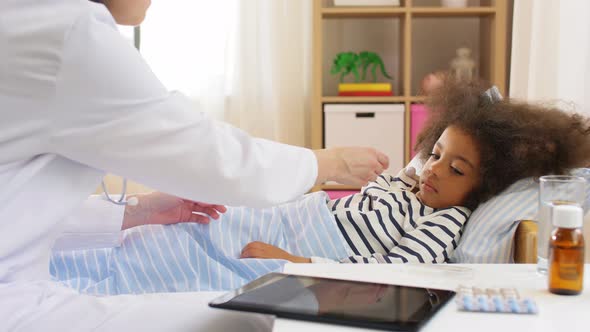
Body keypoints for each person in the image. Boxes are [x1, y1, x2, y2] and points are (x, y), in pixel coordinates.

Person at [0, 0, 388, 330]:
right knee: (251, 320)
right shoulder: (70, 35)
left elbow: (14, 205)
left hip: (18, 281)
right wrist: (326, 163)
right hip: (14, 299)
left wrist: (138, 212)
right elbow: (212, 157)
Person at [52, 78, 590, 296]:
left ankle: (75, 278)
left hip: (308, 248)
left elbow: (392, 275)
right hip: (293, 216)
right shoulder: (409, 186)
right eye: (436, 154)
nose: (433, 170)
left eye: (456, 170)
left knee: (178, 257)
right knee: (176, 228)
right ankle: (60, 261)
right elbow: (347, 199)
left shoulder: (445, 221)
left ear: (484, 187)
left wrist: (293, 262)